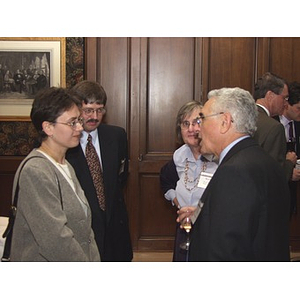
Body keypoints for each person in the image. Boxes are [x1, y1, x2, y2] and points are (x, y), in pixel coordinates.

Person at [177, 87, 290, 261]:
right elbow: (250, 220)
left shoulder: (235, 171)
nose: (198, 129)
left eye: (202, 119)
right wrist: (208, 213)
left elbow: (227, 249)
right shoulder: (265, 161)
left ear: (225, 122)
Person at [10, 87, 100, 261]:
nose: (80, 127)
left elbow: (85, 231)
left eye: (79, 120)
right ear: (48, 127)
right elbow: (55, 240)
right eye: (72, 122)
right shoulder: (36, 171)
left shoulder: (65, 164)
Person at [66, 80, 133, 262]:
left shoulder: (117, 136)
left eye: (100, 110)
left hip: (114, 229)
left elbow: (121, 177)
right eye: (88, 111)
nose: (94, 117)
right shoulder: (65, 142)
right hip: (81, 231)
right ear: (76, 110)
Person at [160, 101, 218, 261]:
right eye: (186, 124)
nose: (191, 129)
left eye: (197, 122)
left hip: (211, 229)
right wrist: (178, 203)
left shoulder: (218, 155)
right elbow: (165, 180)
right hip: (184, 228)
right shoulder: (179, 156)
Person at [253, 72, 296, 181]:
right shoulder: (274, 127)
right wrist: (289, 162)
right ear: (270, 96)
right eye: (284, 98)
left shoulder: (243, 117)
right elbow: (274, 174)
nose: (286, 104)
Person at [274, 81, 300, 218]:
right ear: (287, 104)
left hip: (293, 193)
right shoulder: (272, 124)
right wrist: (289, 171)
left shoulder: (298, 124)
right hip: (275, 191)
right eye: (298, 108)